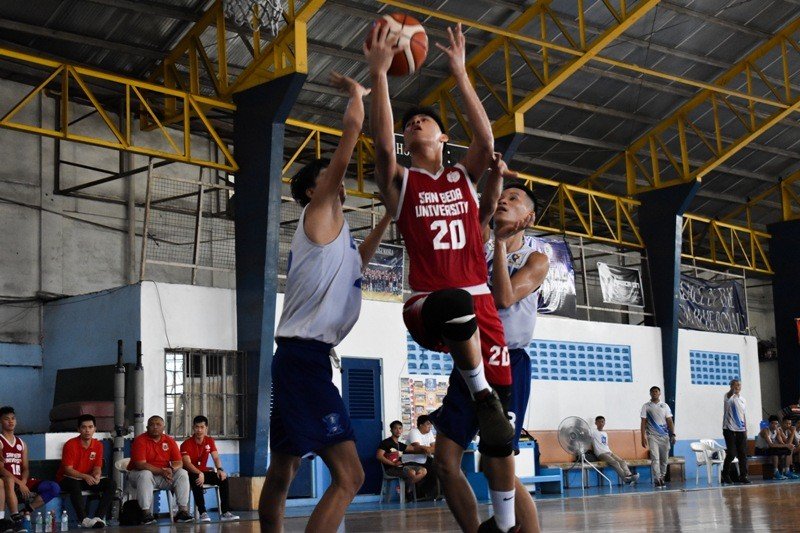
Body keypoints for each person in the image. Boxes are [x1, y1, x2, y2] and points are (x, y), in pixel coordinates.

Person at [366, 22, 518, 533]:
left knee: (489, 442)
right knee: (454, 301)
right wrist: (381, 74)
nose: (414, 125)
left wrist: (459, 70)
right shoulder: (402, 182)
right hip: (428, 302)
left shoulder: (460, 178)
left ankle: (498, 527)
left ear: (442, 137)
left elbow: (486, 138)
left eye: (424, 121)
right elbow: (384, 148)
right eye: (409, 123)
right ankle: (479, 390)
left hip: (482, 312)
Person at [259, 72, 392, 533]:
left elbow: (361, 262)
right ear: (312, 192)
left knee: (284, 470)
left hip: (301, 359)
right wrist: (358, 97)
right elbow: (348, 143)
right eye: (328, 178)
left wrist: (388, 218)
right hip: (304, 361)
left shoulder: (337, 240)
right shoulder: (317, 215)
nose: (337, 182)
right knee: (351, 475)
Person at [0, 406, 60, 531]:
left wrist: (23, 482)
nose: (11, 421)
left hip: (21, 482)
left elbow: (26, 468)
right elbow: (1, 469)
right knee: (8, 480)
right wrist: (19, 483)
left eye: (13, 418)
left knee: (53, 487)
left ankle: (24, 512)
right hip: (7, 482)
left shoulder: (22, 443)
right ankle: (15, 519)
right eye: (7, 419)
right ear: (1, 422)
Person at [126, 415, 193, 524]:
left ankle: (182, 512)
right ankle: (146, 513)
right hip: (138, 476)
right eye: (152, 425)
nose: (155, 427)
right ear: (147, 427)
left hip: (163, 476)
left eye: (158, 424)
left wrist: (171, 469)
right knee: (145, 474)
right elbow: (140, 464)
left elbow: (179, 462)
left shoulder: (169, 441)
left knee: (182, 473)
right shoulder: (140, 440)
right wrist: (162, 471)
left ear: (164, 427)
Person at [56, 414, 116, 528]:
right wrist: (85, 476)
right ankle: (83, 519)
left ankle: (98, 517)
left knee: (111, 484)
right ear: (78, 429)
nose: (87, 430)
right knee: (74, 484)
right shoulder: (70, 444)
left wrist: (97, 475)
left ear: (95, 429)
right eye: (84, 427)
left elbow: (97, 466)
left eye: (90, 427)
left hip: (85, 479)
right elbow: (68, 470)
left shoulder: (98, 445)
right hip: (67, 479)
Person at [180, 416, 239, 522]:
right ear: (193, 428)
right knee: (196, 478)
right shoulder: (186, 444)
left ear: (206, 428)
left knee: (223, 478)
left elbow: (216, 457)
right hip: (190, 474)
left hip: (204, 472)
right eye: (197, 427)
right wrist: (199, 473)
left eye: (202, 427)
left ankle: (225, 512)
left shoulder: (209, 441)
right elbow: (187, 464)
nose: (199, 430)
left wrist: (220, 469)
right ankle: (203, 512)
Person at [375, 421, 426, 494]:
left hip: (401, 467)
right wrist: (393, 464)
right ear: (391, 430)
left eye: (400, 428)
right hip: (390, 469)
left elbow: (414, 449)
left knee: (423, 471)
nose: (398, 430)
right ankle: (407, 491)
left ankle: (407, 488)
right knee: (412, 472)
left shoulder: (400, 444)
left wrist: (428, 449)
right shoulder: (386, 442)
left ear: (402, 430)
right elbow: (379, 456)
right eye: (395, 428)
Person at [640, 387, 675, 488]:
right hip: (652, 436)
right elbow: (643, 423)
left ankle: (662, 477)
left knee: (664, 459)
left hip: (664, 436)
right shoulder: (646, 406)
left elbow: (669, 421)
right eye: (653, 392)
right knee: (655, 458)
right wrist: (643, 437)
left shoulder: (665, 406)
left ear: (659, 393)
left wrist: (673, 434)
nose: (654, 393)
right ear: (650, 393)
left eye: (656, 391)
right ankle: (657, 478)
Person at [591, 416, 639, 485]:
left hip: (609, 452)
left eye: (602, 422)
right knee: (615, 462)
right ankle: (625, 479)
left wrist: (610, 452)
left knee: (622, 461)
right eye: (599, 422)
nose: (601, 423)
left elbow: (605, 445)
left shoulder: (605, 434)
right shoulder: (593, 432)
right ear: (596, 423)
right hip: (601, 454)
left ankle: (629, 475)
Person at [721, 379, 749, 484]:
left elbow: (743, 415)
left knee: (743, 454)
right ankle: (725, 474)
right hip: (729, 429)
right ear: (731, 386)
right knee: (732, 453)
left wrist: (745, 430)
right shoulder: (728, 396)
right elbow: (729, 394)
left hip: (741, 430)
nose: (738, 387)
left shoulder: (743, 399)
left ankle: (743, 476)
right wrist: (732, 390)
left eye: (739, 385)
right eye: (736, 385)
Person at [403, 415, 437, 499]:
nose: (430, 426)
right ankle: (414, 492)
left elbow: (435, 448)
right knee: (431, 470)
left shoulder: (429, 433)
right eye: (428, 424)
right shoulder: (414, 432)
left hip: (424, 459)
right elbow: (417, 447)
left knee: (438, 469)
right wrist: (427, 449)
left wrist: (427, 449)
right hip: (411, 460)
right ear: (421, 425)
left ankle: (427, 494)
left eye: (431, 424)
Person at [755, 415, 795, 480]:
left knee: (788, 450)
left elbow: (782, 443)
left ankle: (786, 471)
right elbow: (771, 445)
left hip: (769, 449)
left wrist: (788, 446)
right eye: (773, 423)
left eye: (776, 423)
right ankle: (775, 472)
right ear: (769, 423)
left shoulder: (777, 431)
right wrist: (786, 445)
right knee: (774, 450)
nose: (774, 425)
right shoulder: (765, 431)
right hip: (760, 450)